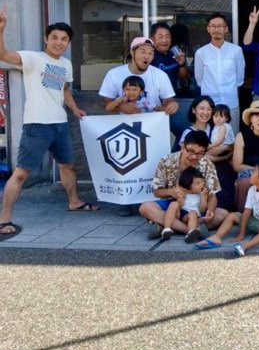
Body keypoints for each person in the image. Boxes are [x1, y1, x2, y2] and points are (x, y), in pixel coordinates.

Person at [0, 17, 98, 240]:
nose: (58, 42)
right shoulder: (33, 58)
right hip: (37, 125)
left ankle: (74, 202)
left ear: (68, 43)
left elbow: (64, 89)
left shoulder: (65, 64)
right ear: (46, 39)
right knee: (22, 173)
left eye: (64, 39)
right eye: (54, 38)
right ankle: (4, 219)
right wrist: (2, 29)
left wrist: (74, 108)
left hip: (60, 123)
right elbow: (3, 55)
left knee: (68, 165)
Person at [139, 130, 229, 240]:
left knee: (222, 215)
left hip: (196, 207)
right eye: (190, 151)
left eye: (200, 153)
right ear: (182, 146)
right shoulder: (166, 161)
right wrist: (171, 192)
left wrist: (210, 209)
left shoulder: (207, 165)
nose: (194, 156)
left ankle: (166, 226)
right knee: (145, 207)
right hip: (172, 206)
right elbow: (157, 192)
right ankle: (191, 230)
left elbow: (212, 195)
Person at [195, 160, 259, 255]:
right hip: (257, 221)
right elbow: (247, 211)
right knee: (232, 215)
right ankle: (216, 237)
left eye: (254, 172)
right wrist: (241, 234)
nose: (251, 173)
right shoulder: (252, 189)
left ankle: (246, 245)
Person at [194, 13, 246, 134]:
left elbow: (240, 77)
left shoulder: (236, 50)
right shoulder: (201, 53)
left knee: (232, 136)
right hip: (209, 105)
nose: (216, 29)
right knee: (210, 136)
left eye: (220, 26)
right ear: (208, 29)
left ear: (226, 29)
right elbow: (199, 79)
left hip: (230, 102)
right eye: (213, 26)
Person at [99, 37, 178, 115]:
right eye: (143, 52)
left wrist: (171, 104)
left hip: (154, 122)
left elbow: (167, 100)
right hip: (125, 122)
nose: (147, 57)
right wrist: (121, 107)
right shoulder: (113, 74)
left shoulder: (161, 75)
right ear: (132, 52)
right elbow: (106, 103)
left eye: (151, 53)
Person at [161, 167, 208, 243]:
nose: (201, 185)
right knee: (174, 204)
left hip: (194, 217)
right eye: (197, 183)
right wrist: (181, 198)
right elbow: (180, 207)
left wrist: (202, 195)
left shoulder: (201, 195)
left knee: (193, 212)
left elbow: (202, 210)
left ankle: (191, 232)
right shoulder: (184, 193)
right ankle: (166, 229)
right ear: (189, 186)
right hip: (182, 215)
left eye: (202, 182)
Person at [149, 21, 189, 92]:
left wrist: (182, 64)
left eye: (167, 36)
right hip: (155, 96)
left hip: (172, 96)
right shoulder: (149, 56)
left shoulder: (174, 54)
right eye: (160, 37)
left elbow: (184, 77)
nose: (164, 40)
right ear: (152, 39)